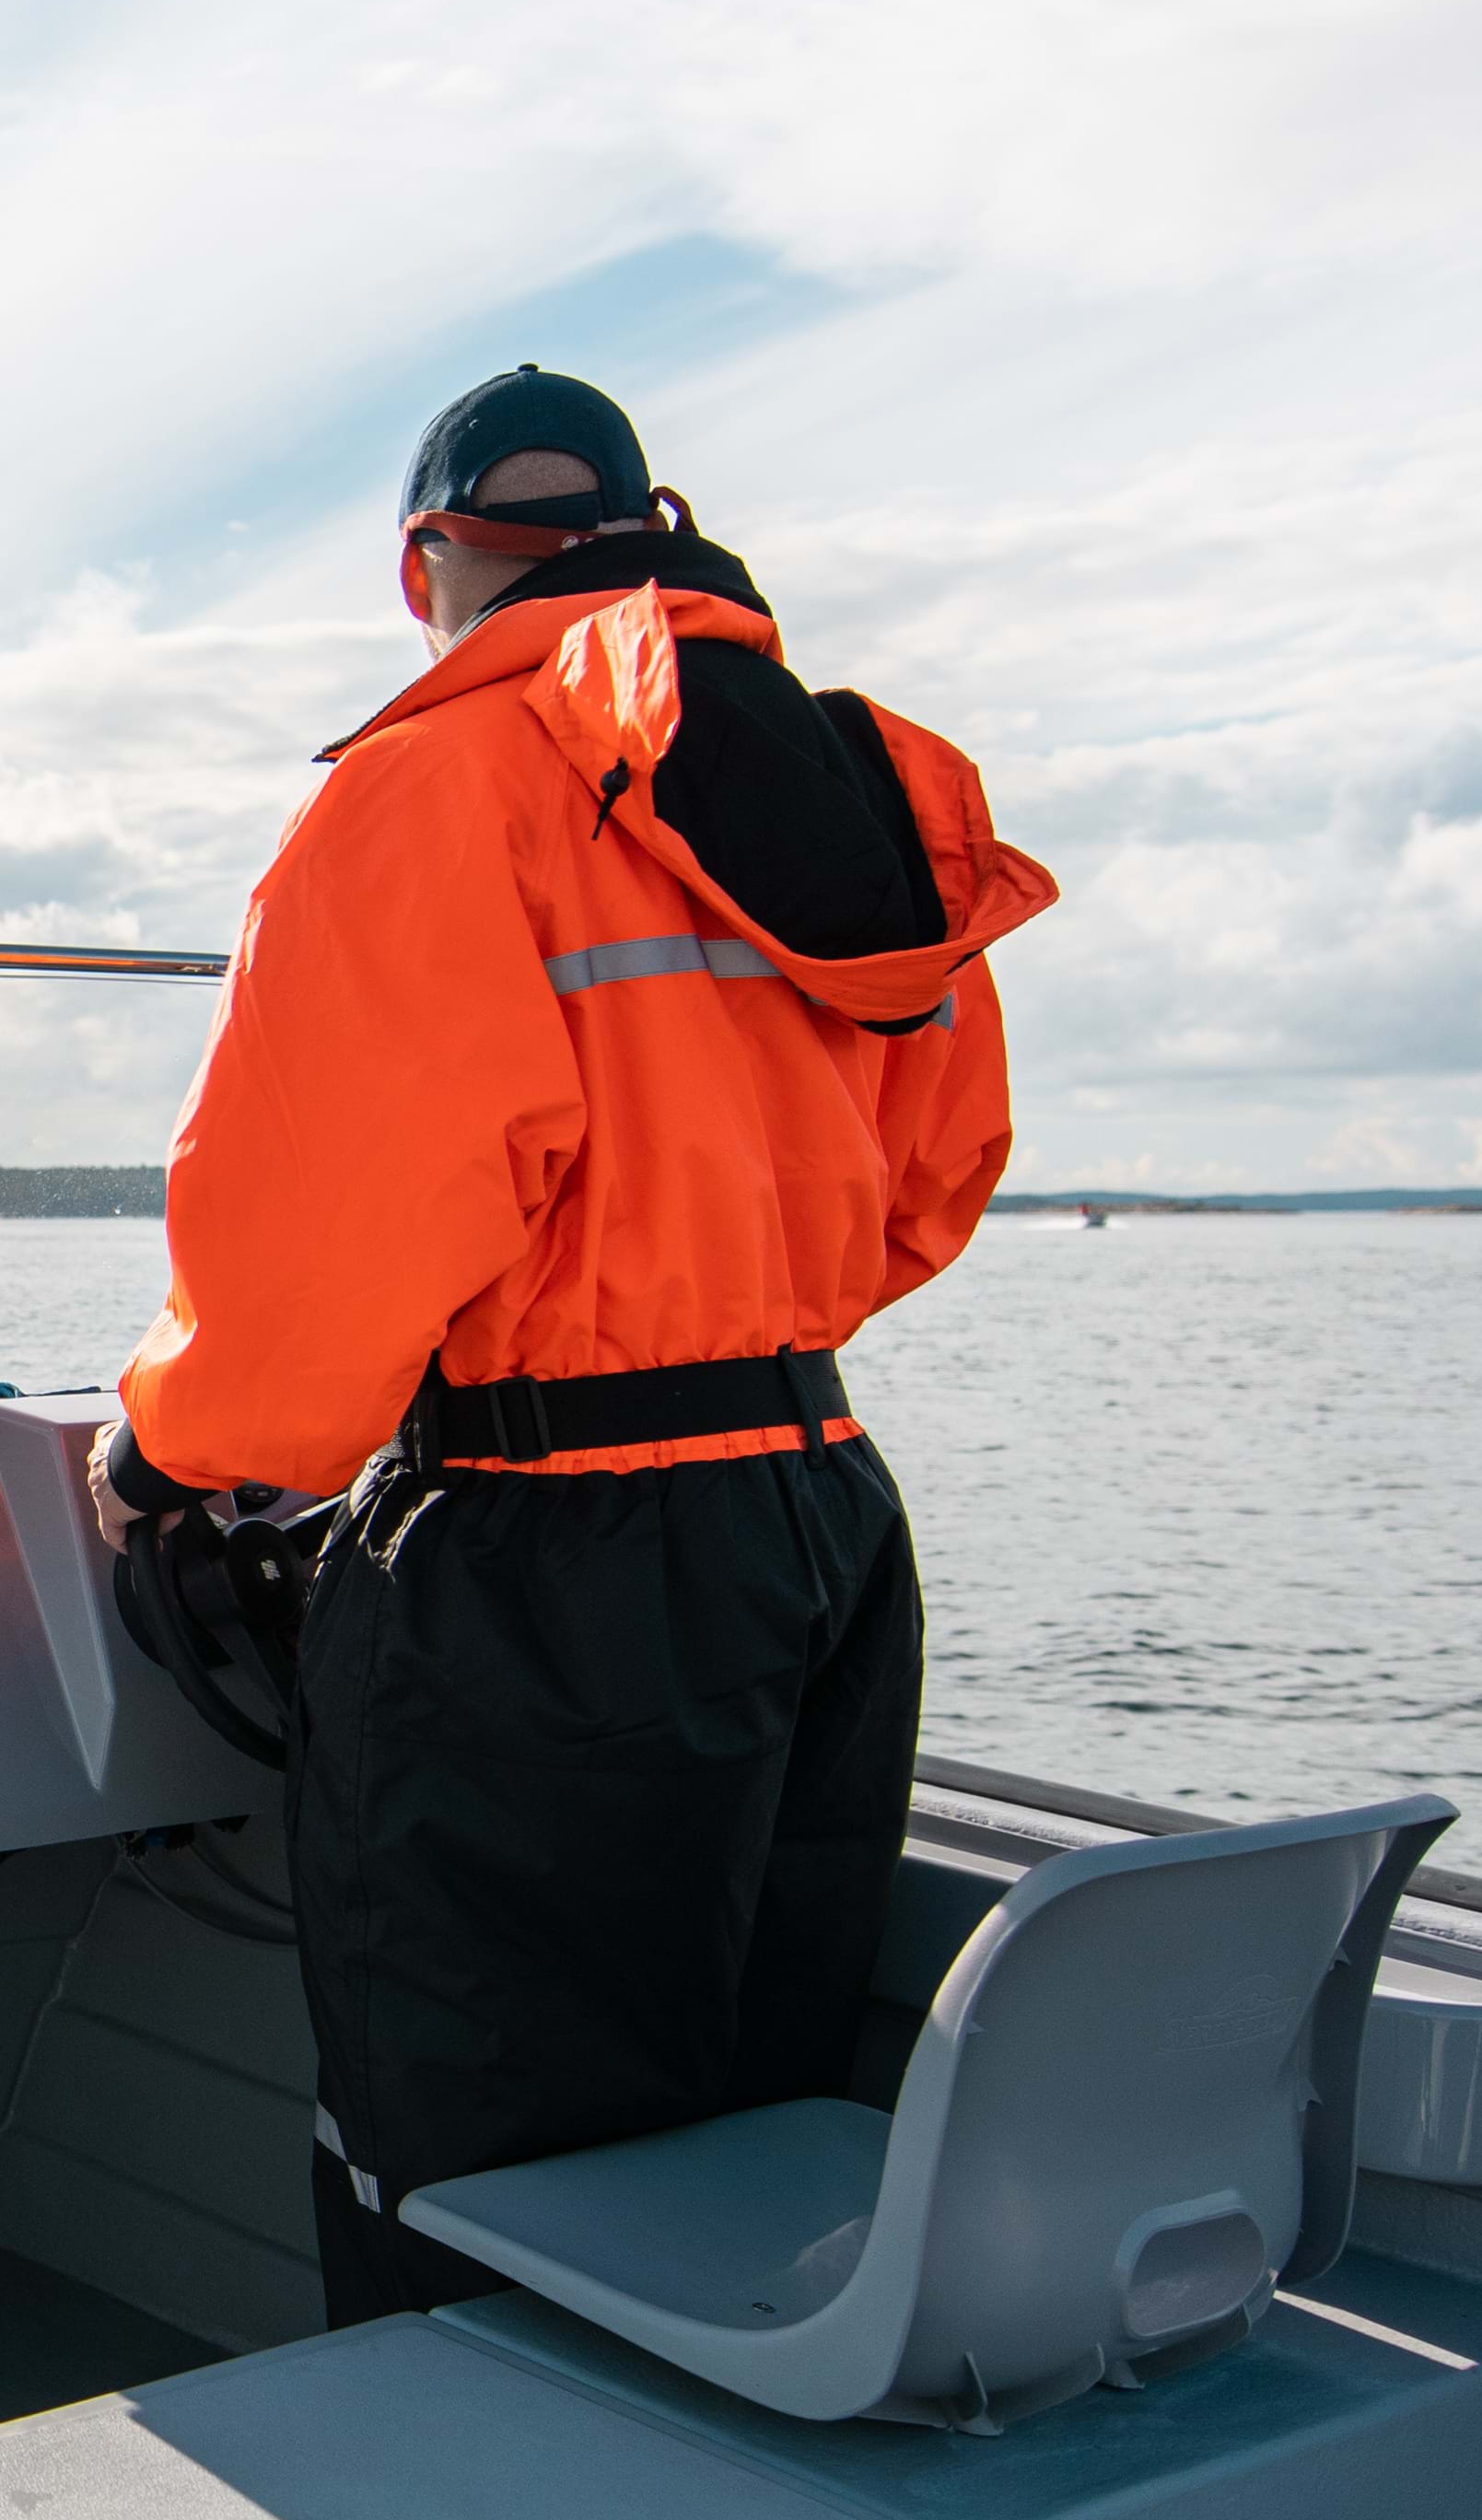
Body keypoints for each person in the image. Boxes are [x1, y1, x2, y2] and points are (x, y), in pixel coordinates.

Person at [99, 367, 1055, 2323]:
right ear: (654, 519)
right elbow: (925, 1185)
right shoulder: (846, 789)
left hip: (550, 1556)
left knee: (461, 2171)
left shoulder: (433, 783)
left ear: (424, 568)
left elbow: (323, 1254)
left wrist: (168, 1459)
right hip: (819, 1528)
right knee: (729, 2137)